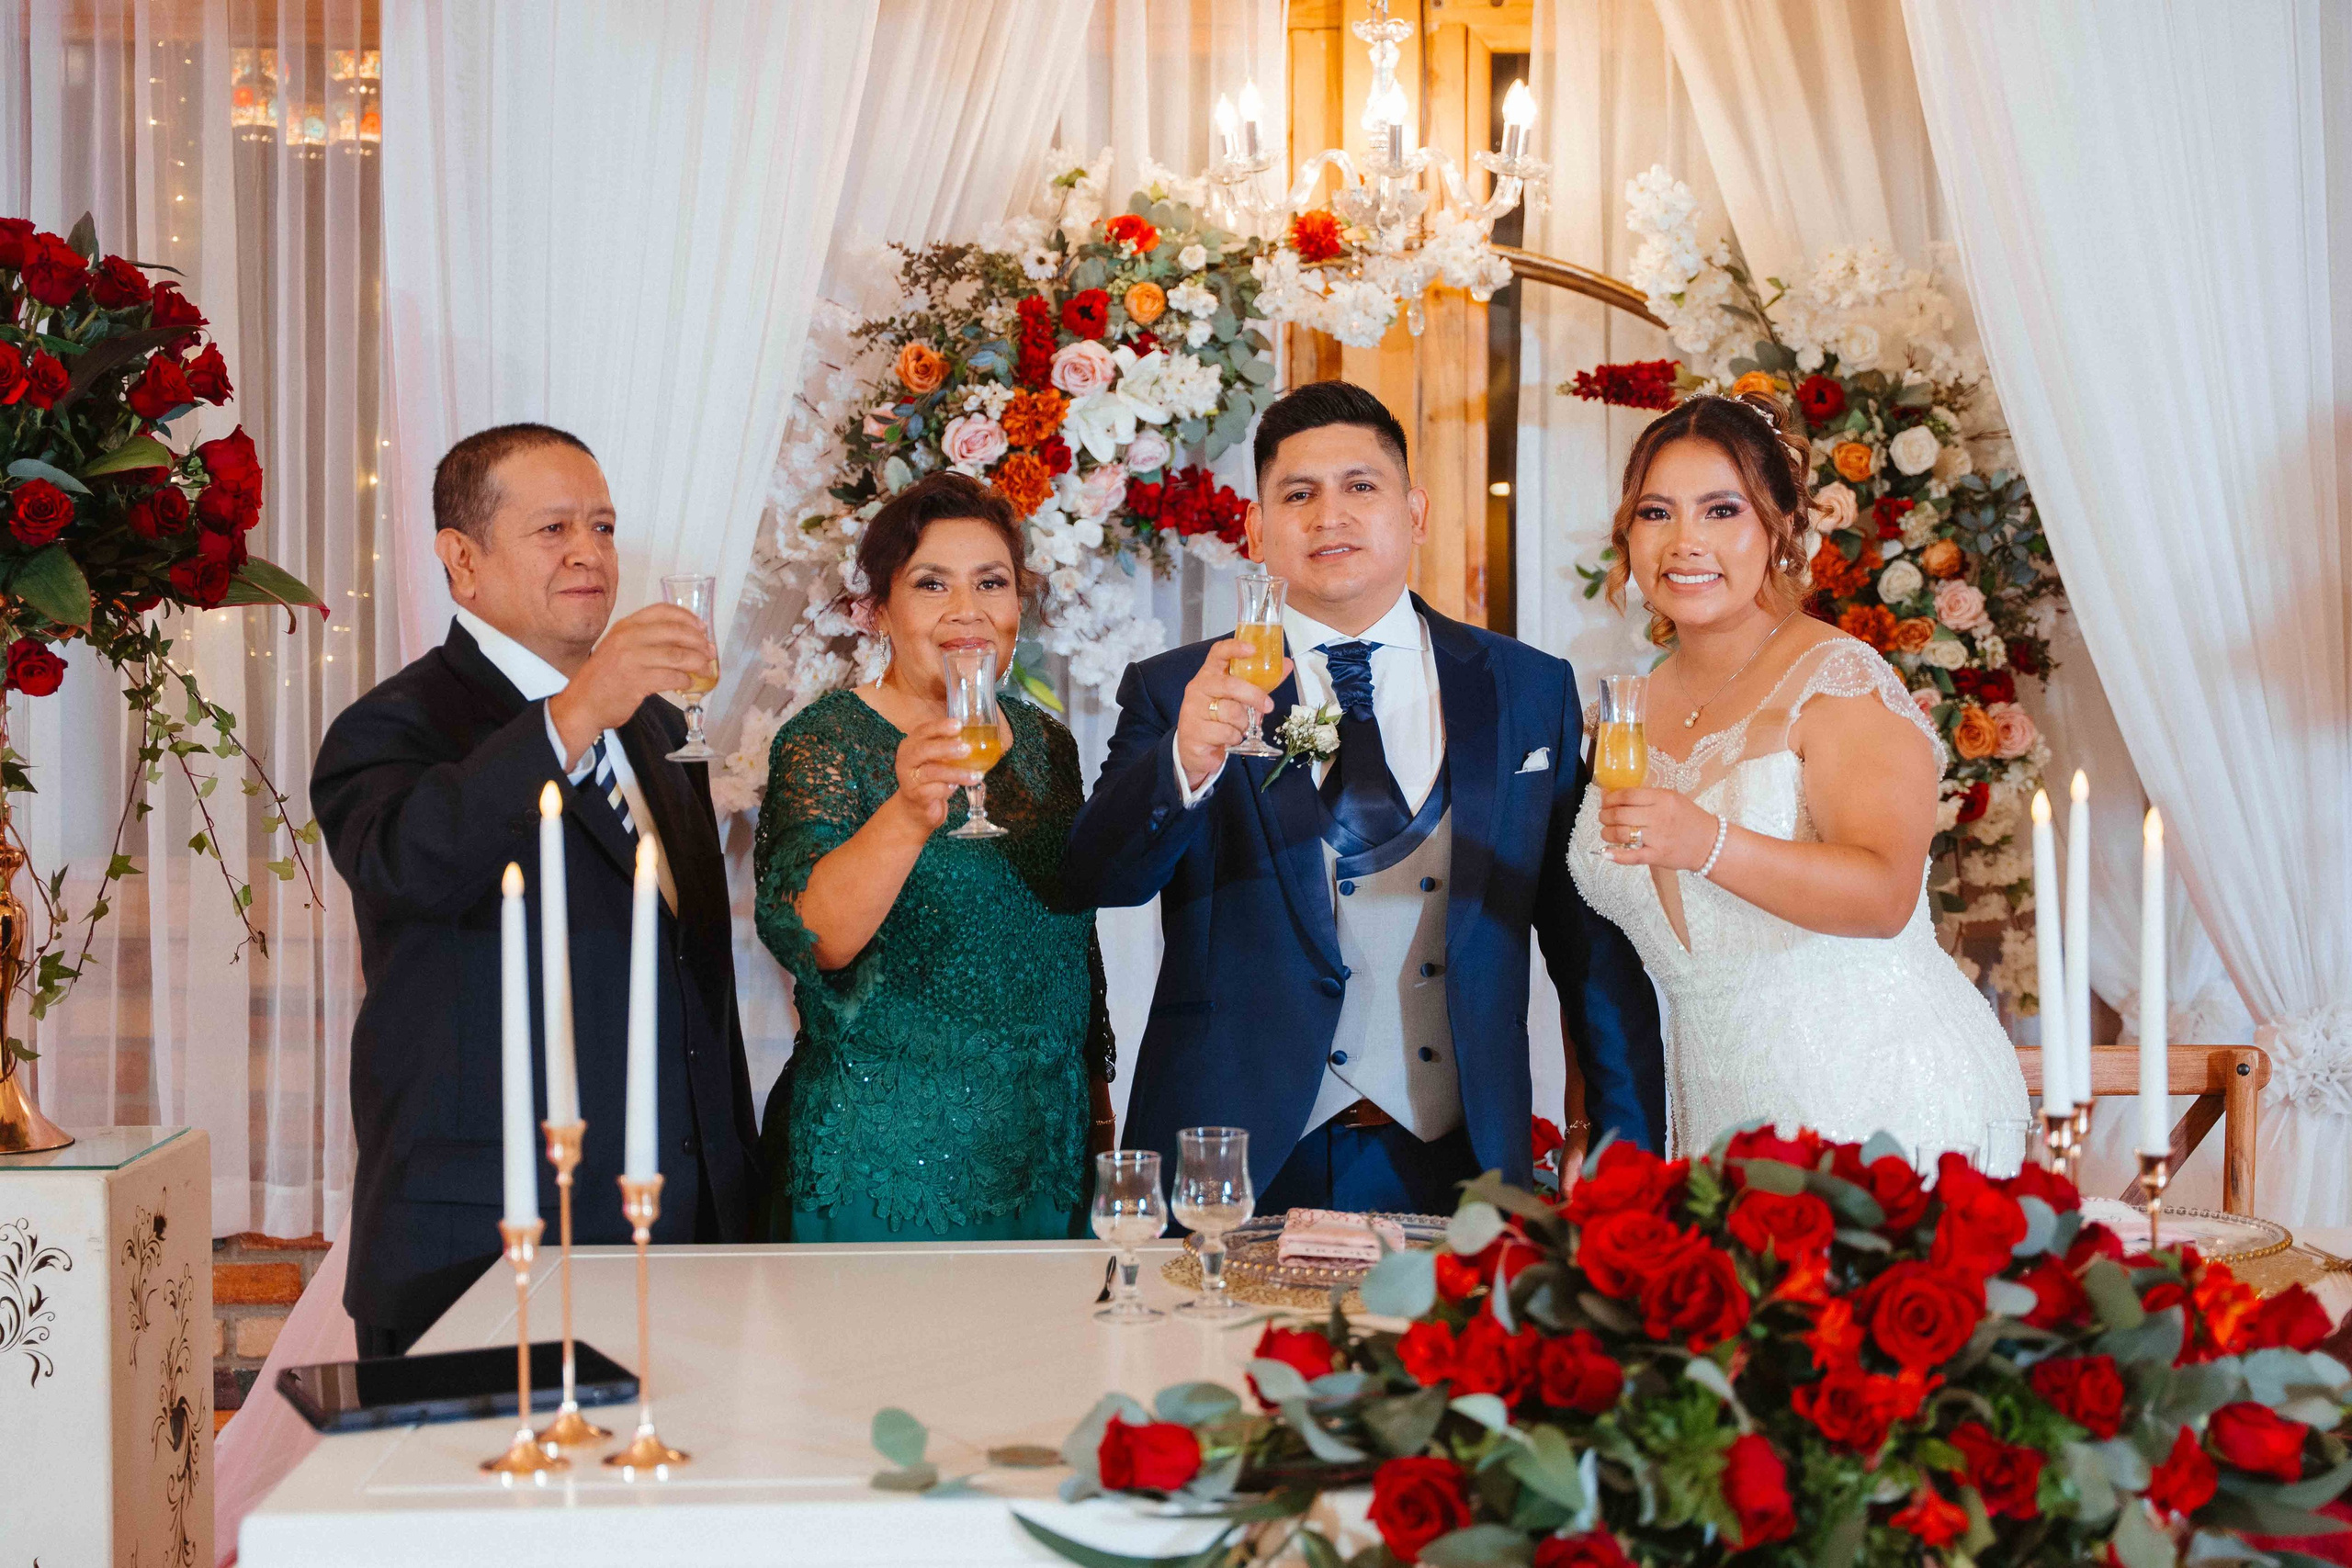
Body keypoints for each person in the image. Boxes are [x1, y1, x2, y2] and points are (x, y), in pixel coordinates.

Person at [1066, 380, 1662, 1215]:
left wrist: (1626, 1146)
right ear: (1256, 527)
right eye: (1298, 494)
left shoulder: (1530, 688)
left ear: (1414, 510)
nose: (1329, 516)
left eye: (1361, 487)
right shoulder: (1180, 690)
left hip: (1465, 1161)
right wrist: (1186, 758)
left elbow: (1587, 936)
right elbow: (1100, 877)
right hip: (1236, 1157)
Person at [313, 423, 761, 1355]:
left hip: (682, 1241)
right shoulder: (391, 725)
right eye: (553, 529)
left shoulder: (650, 729)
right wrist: (571, 716)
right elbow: (407, 860)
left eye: (601, 527)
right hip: (481, 1252)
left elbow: (691, 983)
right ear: (461, 559)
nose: (589, 553)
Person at [1571, 391, 2030, 1157]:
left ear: (1779, 527)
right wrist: (1590, 1125)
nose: (1685, 541)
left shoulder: (1839, 680)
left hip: (1886, 1102)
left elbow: (1885, 893)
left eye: (1722, 511)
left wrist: (1708, 840)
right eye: (1657, 513)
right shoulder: (1625, 711)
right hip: (1719, 1114)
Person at [753, 471, 1115, 1242]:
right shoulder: (824, 741)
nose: (967, 611)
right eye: (931, 584)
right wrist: (909, 813)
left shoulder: (1048, 742)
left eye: (992, 582)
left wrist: (1097, 1096)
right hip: (881, 1154)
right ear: (880, 610)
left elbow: (1071, 937)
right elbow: (812, 937)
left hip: (1043, 1152)